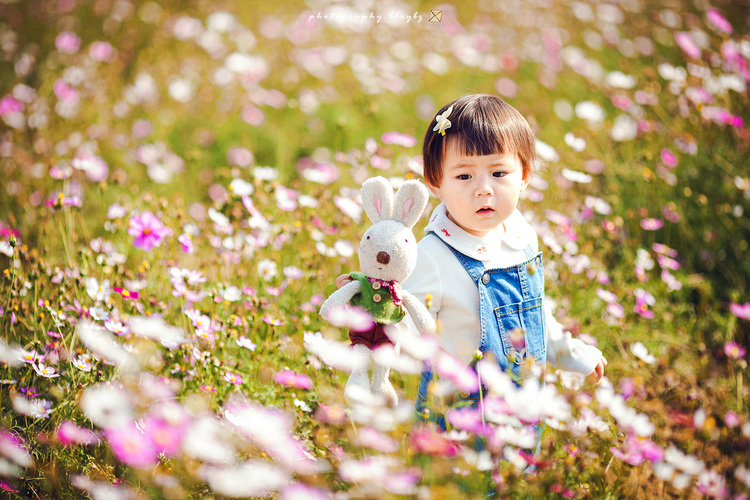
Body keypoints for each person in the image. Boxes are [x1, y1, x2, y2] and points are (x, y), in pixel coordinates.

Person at [337, 93, 606, 412]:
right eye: (464, 175)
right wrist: (372, 319)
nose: (483, 188)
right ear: (436, 183)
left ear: (524, 175)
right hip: (458, 411)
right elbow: (404, 322)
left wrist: (572, 353)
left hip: (523, 404)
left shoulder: (522, 238)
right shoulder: (432, 256)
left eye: (499, 173)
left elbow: (535, 315)